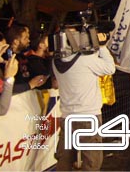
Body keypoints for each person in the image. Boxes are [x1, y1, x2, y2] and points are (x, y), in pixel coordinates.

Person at [53, 28, 116, 171]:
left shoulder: (56, 61)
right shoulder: (86, 59)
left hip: (67, 117)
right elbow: (110, 68)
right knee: (91, 162)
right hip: (88, 116)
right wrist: (101, 46)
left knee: (64, 159)